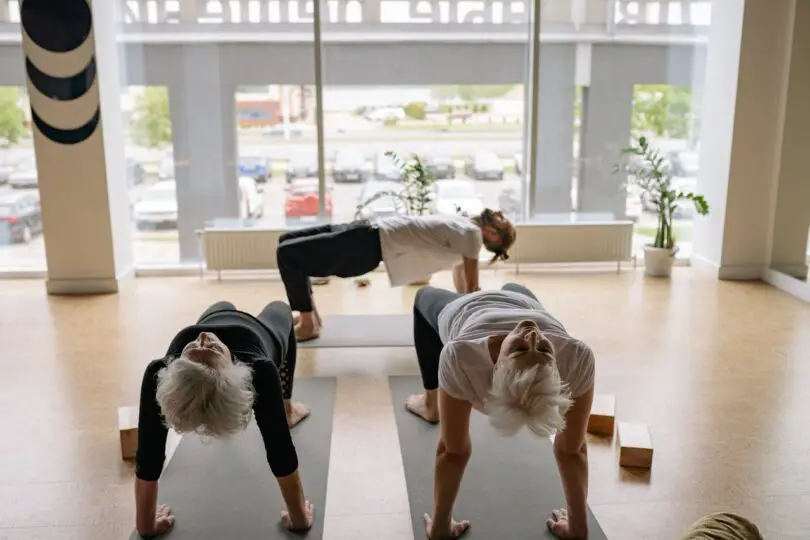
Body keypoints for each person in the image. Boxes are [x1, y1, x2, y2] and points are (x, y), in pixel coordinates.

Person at [406, 283, 596, 540]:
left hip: (465, 310)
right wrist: (578, 528)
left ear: (496, 367)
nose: (532, 335)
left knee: (422, 296)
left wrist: (440, 528)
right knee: (513, 285)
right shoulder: (576, 356)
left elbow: (453, 451)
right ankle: (493, 289)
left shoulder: (460, 355)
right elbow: (573, 450)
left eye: (519, 349)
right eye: (543, 349)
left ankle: (431, 405)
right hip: (521, 300)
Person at [133, 300, 314, 538]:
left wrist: (144, 524)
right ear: (232, 368)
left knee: (223, 304)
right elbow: (280, 450)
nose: (204, 337)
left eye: (195, 346)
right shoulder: (260, 370)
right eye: (213, 349)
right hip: (262, 333)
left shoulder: (160, 371)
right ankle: (287, 407)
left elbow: (148, 455)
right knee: (281, 309)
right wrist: (299, 518)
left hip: (219, 314)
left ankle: (285, 408)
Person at [276, 209, 517, 341]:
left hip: (369, 244)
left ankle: (307, 322)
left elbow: (469, 287)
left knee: (288, 254)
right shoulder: (465, 225)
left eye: (502, 224)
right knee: (287, 242)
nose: (498, 217)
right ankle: (313, 318)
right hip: (368, 229)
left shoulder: (472, 236)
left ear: (495, 238)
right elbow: (462, 279)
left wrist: (477, 322)